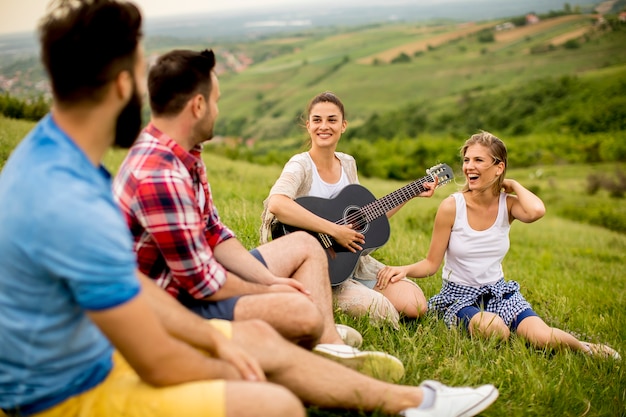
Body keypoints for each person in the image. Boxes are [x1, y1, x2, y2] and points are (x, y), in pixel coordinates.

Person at [0, 1, 502, 416]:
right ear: (123, 86)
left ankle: (414, 402)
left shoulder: (60, 160)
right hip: (67, 391)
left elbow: (129, 285)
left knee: (263, 339)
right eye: (140, 67)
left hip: (105, 344)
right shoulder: (70, 197)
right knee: (277, 404)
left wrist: (236, 336)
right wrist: (226, 347)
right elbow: (154, 355)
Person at [112, 49, 407, 380]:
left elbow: (215, 232)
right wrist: (272, 292)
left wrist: (270, 278)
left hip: (202, 279)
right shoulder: (160, 174)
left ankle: (329, 343)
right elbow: (201, 283)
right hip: (175, 305)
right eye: (216, 101)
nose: (218, 110)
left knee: (306, 248)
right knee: (303, 311)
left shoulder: (189, 154)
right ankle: (318, 342)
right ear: (198, 105)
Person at [376, 131, 621, 360]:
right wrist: (405, 270)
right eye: (466, 159)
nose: (469, 166)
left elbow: (537, 210)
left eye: (479, 160)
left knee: (544, 338)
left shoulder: (509, 204)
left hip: (500, 293)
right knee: (495, 330)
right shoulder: (452, 206)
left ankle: (587, 348)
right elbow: (431, 264)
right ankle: (500, 327)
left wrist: (512, 185)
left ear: (498, 167)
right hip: (458, 296)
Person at [261, 91, 436, 328]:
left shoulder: (348, 163)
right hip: (317, 267)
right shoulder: (301, 164)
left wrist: (411, 193)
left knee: (415, 304)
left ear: (343, 126)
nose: (324, 126)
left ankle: (357, 288)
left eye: (332, 120)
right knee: (384, 312)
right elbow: (277, 204)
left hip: (351, 262)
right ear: (308, 125)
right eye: (317, 120)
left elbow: (366, 217)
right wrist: (334, 230)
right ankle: (318, 295)